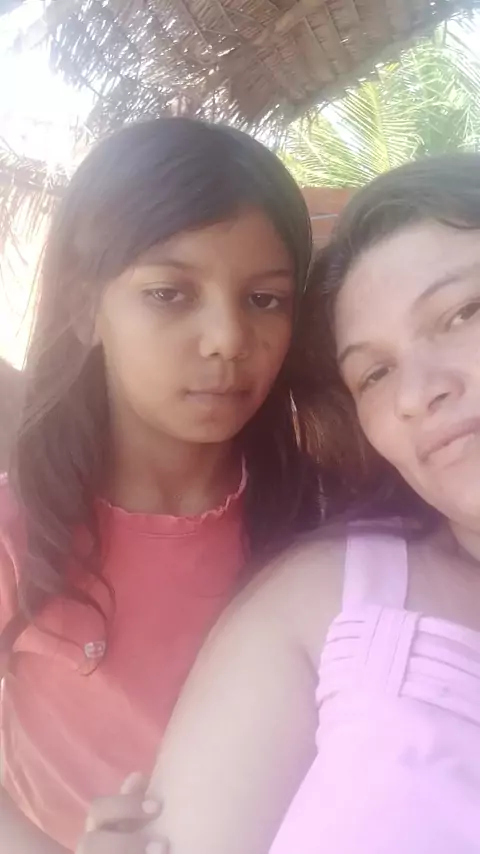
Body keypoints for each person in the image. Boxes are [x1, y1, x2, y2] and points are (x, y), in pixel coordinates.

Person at [81, 152, 480, 854]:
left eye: (464, 312)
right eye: (375, 372)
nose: (417, 393)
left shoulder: (292, 505)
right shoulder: (330, 598)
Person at [0, 116, 325, 853]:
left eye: (265, 299)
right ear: (85, 308)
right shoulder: (21, 532)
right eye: (170, 293)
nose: (228, 340)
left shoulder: (318, 521)